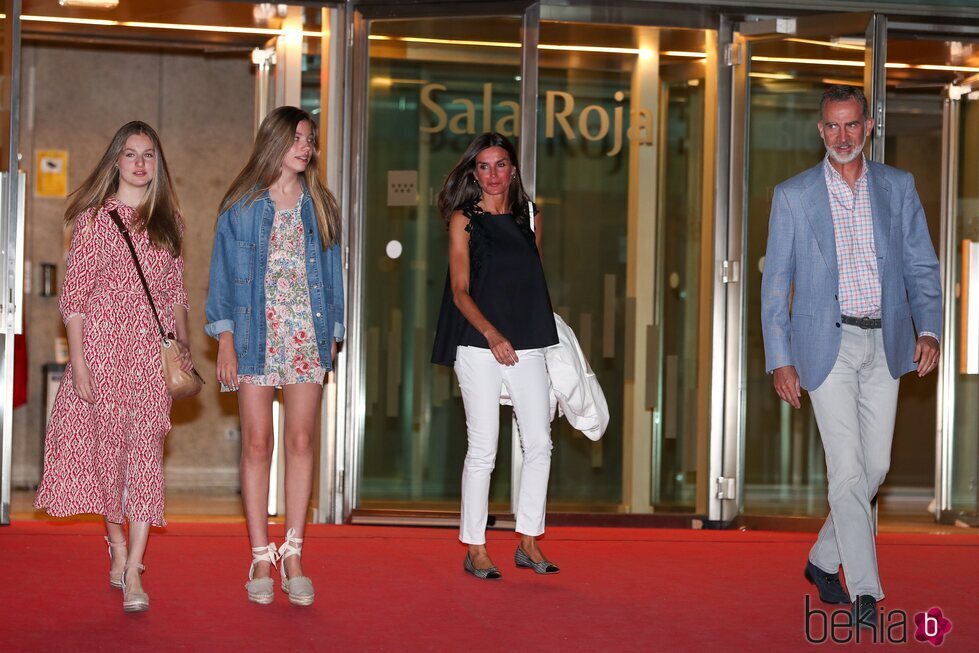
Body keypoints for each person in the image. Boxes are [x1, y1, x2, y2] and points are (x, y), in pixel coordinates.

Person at [761, 85, 941, 628]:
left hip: (887, 344)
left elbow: (921, 268)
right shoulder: (792, 196)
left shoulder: (898, 186)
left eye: (851, 126)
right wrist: (780, 358)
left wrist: (928, 329)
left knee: (874, 468)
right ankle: (866, 592)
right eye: (832, 127)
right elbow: (776, 286)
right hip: (824, 348)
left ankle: (821, 559)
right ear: (821, 130)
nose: (842, 136)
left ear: (868, 126)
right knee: (846, 470)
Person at [34, 121, 193, 613]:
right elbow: (75, 299)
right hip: (103, 353)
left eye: (148, 154)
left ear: (157, 164)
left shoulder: (171, 223)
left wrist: (182, 347)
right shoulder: (93, 220)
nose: (140, 163)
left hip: (150, 356)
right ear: (116, 161)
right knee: (110, 460)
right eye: (130, 154)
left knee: (145, 456)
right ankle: (117, 545)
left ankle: (134, 567)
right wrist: (78, 364)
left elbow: (176, 295)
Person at [205, 106, 344, 606]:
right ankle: (261, 554)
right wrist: (224, 339)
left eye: (310, 139)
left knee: (302, 440)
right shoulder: (240, 206)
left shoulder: (320, 205)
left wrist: (334, 330)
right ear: (275, 142)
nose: (306, 147)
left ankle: (295, 553)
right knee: (258, 443)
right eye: (297, 138)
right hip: (253, 335)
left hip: (305, 333)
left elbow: (333, 276)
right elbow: (220, 277)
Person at [432, 132, 560, 580]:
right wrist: (491, 334)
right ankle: (476, 547)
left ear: (513, 169)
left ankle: (528, 540)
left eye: (500, 164)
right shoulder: (463, 220)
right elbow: (460, 290)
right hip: (478, 343)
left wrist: (543, 335)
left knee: (540, 444)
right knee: (483, 449)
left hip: (528, 341)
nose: (492, 174)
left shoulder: (530, 215)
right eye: (483, 166)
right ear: (473, 172)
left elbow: (529, 282)